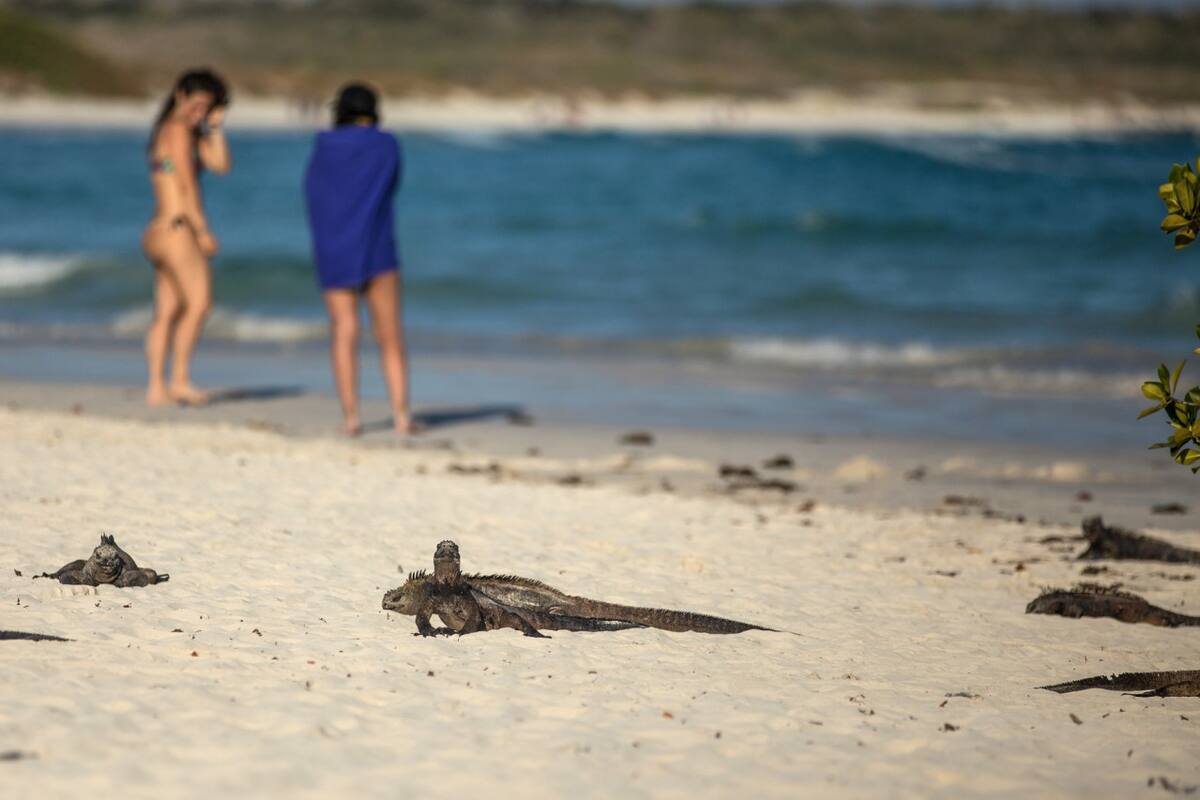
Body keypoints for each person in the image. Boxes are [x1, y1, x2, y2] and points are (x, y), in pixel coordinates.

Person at [304, 83, 414, 435]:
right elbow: (392, 184)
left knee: (344, 330)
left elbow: (314, 193)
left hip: (334, 247)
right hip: (378, 246)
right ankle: (401, 416)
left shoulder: (324, 145)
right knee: (389, 335)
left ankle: (351, 418)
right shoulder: (387, 144)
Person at [141, 68, 231, 407]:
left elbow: (221, 165)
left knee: (167, 310)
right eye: (196, 105)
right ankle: (178, 380)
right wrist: (203, 230)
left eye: (206, 108)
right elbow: (184, 184)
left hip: (158, 229)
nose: (200, 114)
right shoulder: (177, 131)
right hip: (178, 228)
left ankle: (155, 388)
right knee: (199, 303)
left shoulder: (172, 132)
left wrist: (217, 127)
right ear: (179, 95)